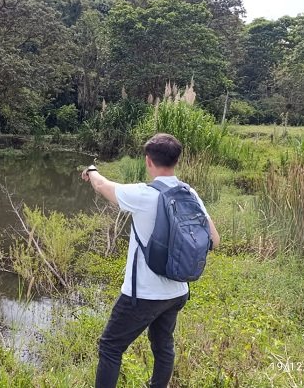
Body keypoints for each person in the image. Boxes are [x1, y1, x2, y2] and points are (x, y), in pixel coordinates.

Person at [81, 133, 220, 388]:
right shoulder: (190, 193)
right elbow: (215, 239)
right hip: (178, 292)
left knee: (110, 347)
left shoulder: (144, 195)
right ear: (177, 160)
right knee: (163, 344)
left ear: (148, 161)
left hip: (143, 294)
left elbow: (101, 186)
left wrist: (91, 170)